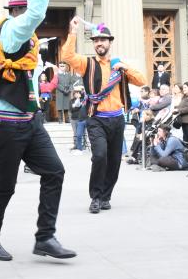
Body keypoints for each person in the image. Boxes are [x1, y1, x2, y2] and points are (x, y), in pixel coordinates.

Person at [0, 0, 76, 262]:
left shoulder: (30, 44)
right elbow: (34, 15)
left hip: (28, 121)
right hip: (3, 125)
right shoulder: (10, 30)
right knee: (4, 187)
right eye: (30, 11)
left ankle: (45, 237)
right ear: (18, 10)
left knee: (55, 172)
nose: (36, 21)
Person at [62, 17, 146, 214]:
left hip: (117, 120)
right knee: (99, 156)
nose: (99, 43)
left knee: (114, 161)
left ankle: (106, 196)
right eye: (96, 40)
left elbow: (142, 80)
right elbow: (67, 55)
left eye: (103, 40)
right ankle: (96, 197)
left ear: (110, 42)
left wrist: (124, 68)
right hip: (96, 118)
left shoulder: (119, 65)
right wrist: (73, 32)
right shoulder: (86, 63)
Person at [70, 86, 87, 155]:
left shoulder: (86, 98)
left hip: (88, 119)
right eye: (76, 93)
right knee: (79, 135)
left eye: (78, 92)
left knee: (93, 135)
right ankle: (80, 149)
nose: (77, 94)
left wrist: (82, 88)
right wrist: (78, 98)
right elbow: (75, 105)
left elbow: (85, 93)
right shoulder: (79, 100)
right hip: (80, 120)